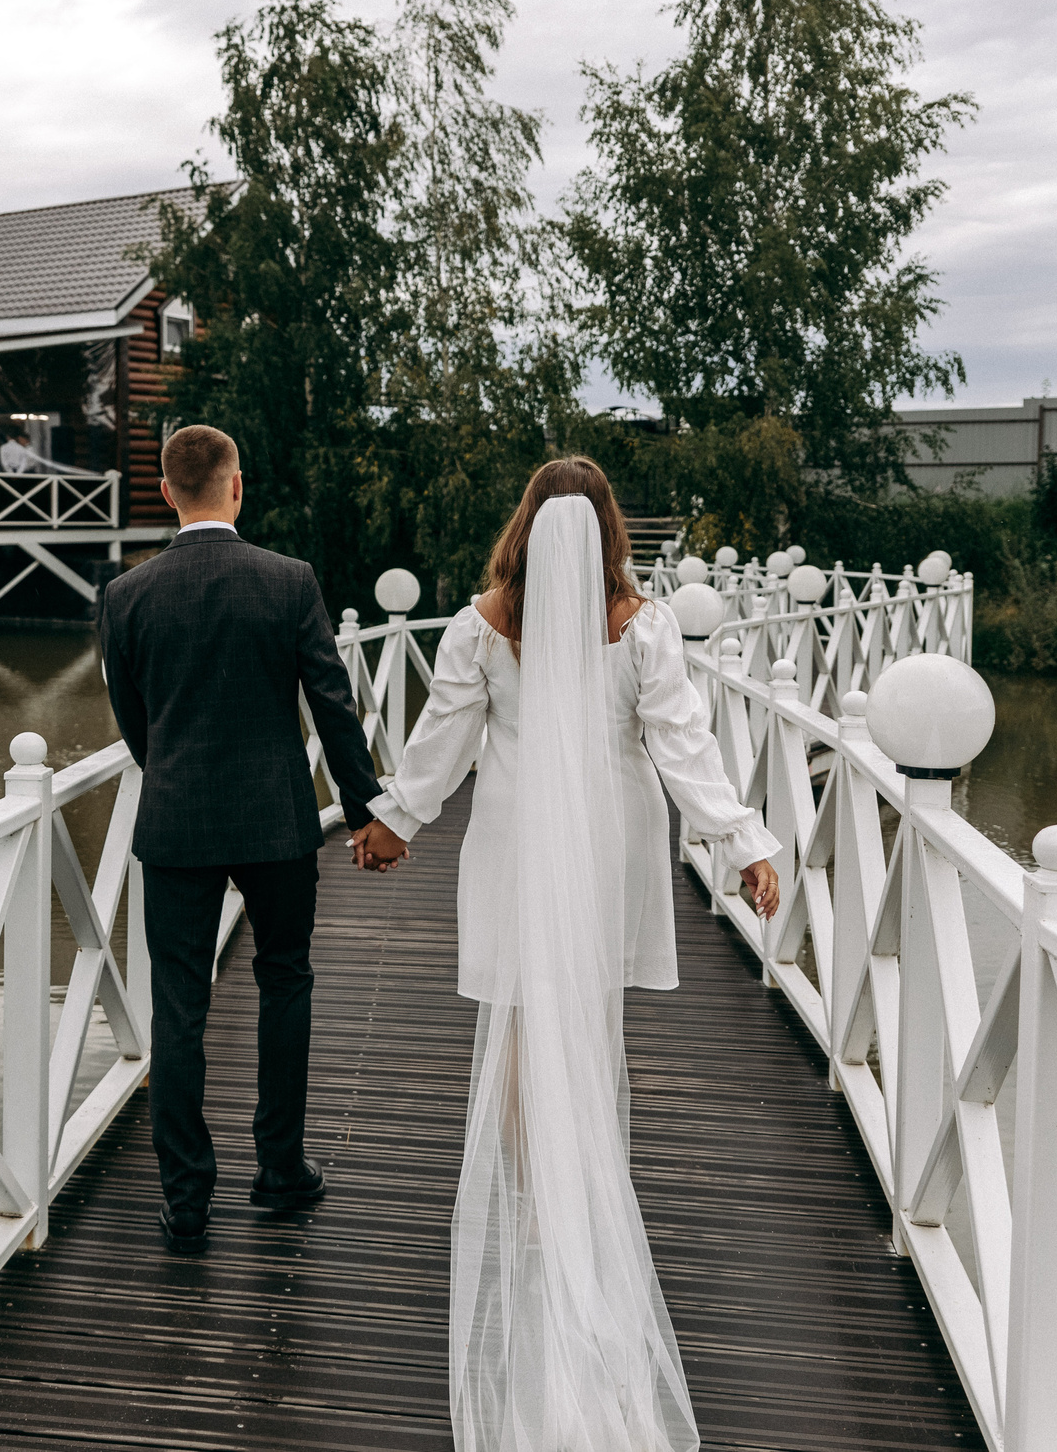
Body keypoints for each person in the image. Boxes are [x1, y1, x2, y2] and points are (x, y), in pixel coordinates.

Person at [354, 457, 780, 1452]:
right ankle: (584, 1185)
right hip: (605, 842)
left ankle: (539, 1197)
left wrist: (397, 820)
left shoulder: (480, 624)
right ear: (605, 534)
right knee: (587, 1016)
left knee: (517, 1018)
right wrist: (741, 839)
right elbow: (681, 741)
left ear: (526, 528)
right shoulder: (642, 625)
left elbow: (444, 735)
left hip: (511, 839)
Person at [97, 424, 406, 1256]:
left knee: (179, 1006)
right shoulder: (287, 580)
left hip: (176, 825)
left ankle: (187, 1202)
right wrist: (370, 809)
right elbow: (333, 709)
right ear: (237, 486)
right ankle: (279, 1173)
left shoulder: (126, 597)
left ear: (167, 492)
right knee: (285, 982)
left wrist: (172, 772)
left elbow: (137, 724)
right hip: (275, 823)